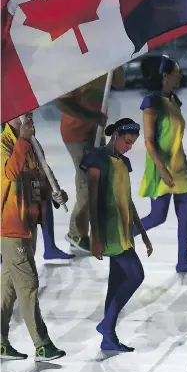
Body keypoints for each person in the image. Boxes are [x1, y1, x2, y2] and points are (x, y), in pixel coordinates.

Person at [1, 112, 67, 361]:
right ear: (9, 117)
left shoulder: (31, 144)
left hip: (28, 224)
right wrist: (23, 141)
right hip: (10, 226)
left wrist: (54, 193)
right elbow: (9, 174)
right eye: (23, 116)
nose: (29, 119)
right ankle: (42, 344)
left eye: (30, 115)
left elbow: (38, 177)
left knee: (8, 287)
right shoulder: (4, 144)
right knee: (28, 285)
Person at [83, 118, 153, 351]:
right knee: (135, 275)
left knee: (116, 283)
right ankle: (106, 324)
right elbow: (91, 200)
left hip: (124, 231)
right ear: (116, 135)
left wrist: (142, 232)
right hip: (109, 230)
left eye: (132, 143)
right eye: (127, 141)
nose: (129, 146)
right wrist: (95, 236)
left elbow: (128, 200)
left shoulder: (124, 162)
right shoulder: (97, 159)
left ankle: (108, 337)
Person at [136, 56, 187, 274]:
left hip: (179, 165)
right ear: (165, 76)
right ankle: (122, 237)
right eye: (176, 72)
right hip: (161, 167)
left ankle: (182, 261)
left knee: (185, 216)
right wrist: (162, 169)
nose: (180, 75)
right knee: (158, 216)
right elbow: (148, 140)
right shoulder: (152, 102)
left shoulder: (173, 100)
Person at [56, 68, 125, 252]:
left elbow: (119, 82)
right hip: (76, 133)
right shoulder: (76, 67)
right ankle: (76, 234)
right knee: (87, 183)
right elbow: (62, 104)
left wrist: (119, 60)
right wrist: (91, 116)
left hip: (94, 130)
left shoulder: (105, 64)